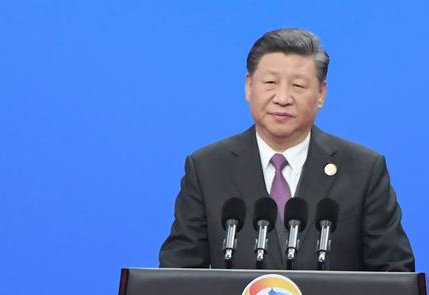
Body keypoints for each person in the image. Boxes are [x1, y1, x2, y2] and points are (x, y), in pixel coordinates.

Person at [159, 28, 414, 271]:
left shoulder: (363, 169)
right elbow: (178, 273)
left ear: (321, 93)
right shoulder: (207, 167)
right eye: (270, 82)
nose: (282, 98)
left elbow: (394, 274)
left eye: (298, 86)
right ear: (249, 87)